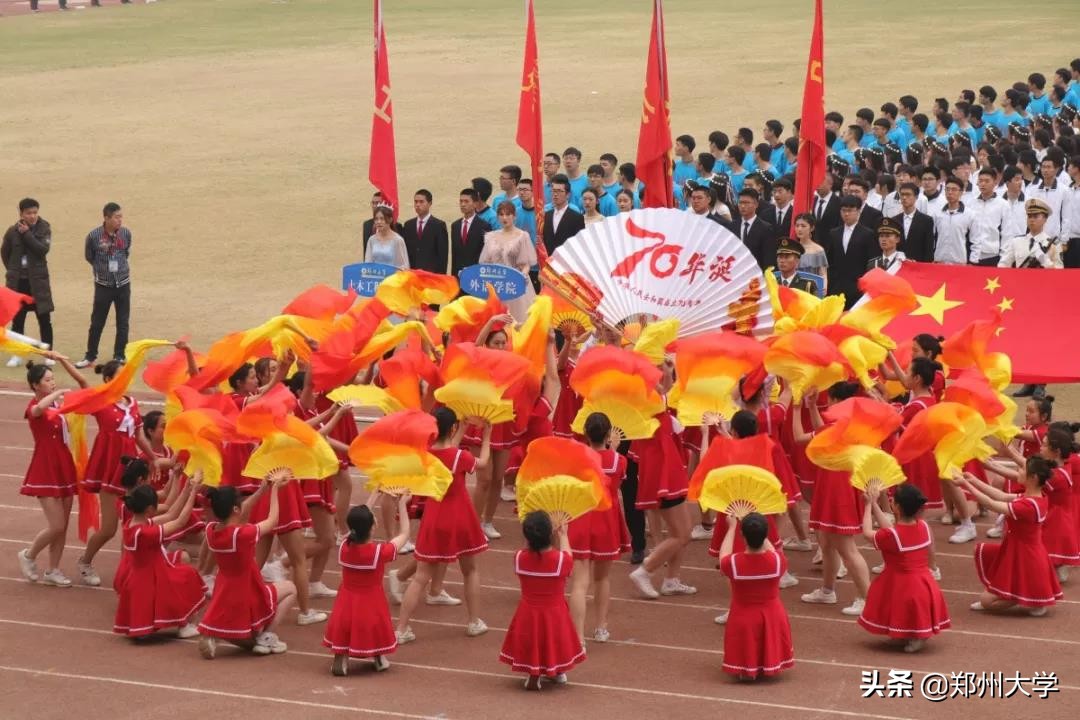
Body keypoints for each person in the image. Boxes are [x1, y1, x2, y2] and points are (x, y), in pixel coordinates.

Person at [394, 408, 491, 644]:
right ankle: (474, 621)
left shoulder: (425, 454)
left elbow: (447, 450)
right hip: (460, 517)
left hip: (435, 516)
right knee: (470, 570)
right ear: (453, 428)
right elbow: (484, 462)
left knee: (420, 577)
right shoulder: (461, 457)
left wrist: (463, 427)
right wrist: (487, 434)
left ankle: (401, 628)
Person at [75, 359, 163, 587]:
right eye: (119, 376)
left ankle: (132, 570)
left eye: (126, 375)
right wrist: (64, 362)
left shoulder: (132, 403)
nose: (124, 380)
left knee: (135, 522)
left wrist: (153, 458)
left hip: (130, 469)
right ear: (107, 380)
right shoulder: (101, 401)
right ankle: (85, 562)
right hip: (109, 470)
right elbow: (83, 382)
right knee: (109, 529)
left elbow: (139, 436)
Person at [197, 477, 299, 658]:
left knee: (239, 634)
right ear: (235, 509)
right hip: (248, 589)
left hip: (224, 589)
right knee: (291, 589)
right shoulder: (243, 534)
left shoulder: (211, 530)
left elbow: (240, 513)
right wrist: (275, 490)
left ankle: (216, 636)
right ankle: (267, 636)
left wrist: (261, 491)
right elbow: (272, 520)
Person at [794, 383, 872, 615]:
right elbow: (823, 431)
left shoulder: (835, 427)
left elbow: (799, 438)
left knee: (846, 548)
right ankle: (828, 591)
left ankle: (866, 597)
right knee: (826, 543)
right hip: (837, 486)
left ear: (837, 401)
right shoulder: (852, 424)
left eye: (829, 401)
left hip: (837, 490)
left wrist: (797, 408)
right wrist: (811, 408)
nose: (827, 404)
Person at [16, 355, 89, 587]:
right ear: (36, 385)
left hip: (64, 465)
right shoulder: (34, 407)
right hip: (45, 467)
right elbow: (38, 410)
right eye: (47, 380)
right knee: (56, 524)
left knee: (63, 525)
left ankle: (53, 570)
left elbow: (85, 389)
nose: (53, 382)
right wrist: (56, 395)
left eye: (53, 379)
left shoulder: (59, 405)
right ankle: (28, 555)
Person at [959, 457, 1063, 616]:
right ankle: (1030, 595)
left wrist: (966, 485)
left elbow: (991, 503)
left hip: (1027, 557)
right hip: (1019, 550)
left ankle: (1030, 597)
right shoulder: (1034, 496)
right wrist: (974, 481)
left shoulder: (1028, 505)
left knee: (987, 602)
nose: (1018, 472)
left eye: (1022, 469)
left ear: (1033, 478)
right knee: (986, 556)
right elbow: (1000, 496)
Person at [324, 494, 410, 676]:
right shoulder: (379, 552)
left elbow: (358, 521)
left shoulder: (345, 546)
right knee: (376, 626)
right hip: (371, 600)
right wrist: (402, 505)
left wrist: (375, 495)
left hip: (346, 599)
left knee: (344, 626)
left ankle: (340, 656)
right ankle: (378, 656)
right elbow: (404, 534)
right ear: (373, 526)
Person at [858, 484, 949, 652]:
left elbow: (867, 533)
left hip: (905, 584)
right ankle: (910, 633)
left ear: (897, 507)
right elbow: (892, 530)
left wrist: (868, 505)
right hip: (924, 582)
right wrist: (875, 504)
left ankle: (918, 634)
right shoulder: (923, 526)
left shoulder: (893, 535)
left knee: (899, 603)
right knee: (904, 604)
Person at [500, 511, 585, 690]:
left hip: (528, 610)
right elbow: (568, 557)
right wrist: (563, 535)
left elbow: (527, 550)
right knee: (555, 641)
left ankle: (534, 674)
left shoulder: (519, 558)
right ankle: (557, 671)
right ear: (549, 533)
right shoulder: (560, 560)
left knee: (532, 640)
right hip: (554, 611)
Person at [112, 481, 206, 640]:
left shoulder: (133, 524)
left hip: (139, 576)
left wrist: (188, 489)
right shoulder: (145, 533)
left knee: (180, 575)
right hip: (153, 576)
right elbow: (179, 522)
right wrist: (193, 494)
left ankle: (146, 625)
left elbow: (170, 515)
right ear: (150, 509)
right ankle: (185, 625)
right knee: (187, 576)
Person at [567, 412, 630, 643]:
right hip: (606, 521)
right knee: (602, 579)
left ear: (585, 433)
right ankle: (601, 628)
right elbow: (617, 483)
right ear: (608, 434)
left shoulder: (576, 458)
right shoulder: (618, 461)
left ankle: (577, 635)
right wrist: (613, 449)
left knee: (579, 582)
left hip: (580, 518)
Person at [716, 512, 794, 680]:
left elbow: (723, 557)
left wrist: (731, 528)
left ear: (742, 535)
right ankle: (768, 664)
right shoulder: (778, 561)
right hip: (772, 614)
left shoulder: (734, 563)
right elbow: (771, 549)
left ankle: (747, 667)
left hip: (743, 615)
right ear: (766, 534)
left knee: (747, 640)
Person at [76, 203, 132, 368]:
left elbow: (126, 252)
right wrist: (102, 270)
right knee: (97, 322)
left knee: (123, 322)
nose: (120, 220)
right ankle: (90, 356)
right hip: (103, 286)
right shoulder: (94, 236)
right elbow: (89, 256)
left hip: (123, 284)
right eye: (116, 217)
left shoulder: (126, 233)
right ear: (106, 218)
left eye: (121, 216)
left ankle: (120, 355)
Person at [2, 198, 54, 367]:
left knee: (44, 318)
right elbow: (4, 252)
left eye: (35, 213)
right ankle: (17, 354)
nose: (32, 216)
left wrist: (27, 234)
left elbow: (42, 250)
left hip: (37, 282)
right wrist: (13, 270)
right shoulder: (11, 232)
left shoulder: (44, 228)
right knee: (18, 319)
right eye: (29, 213)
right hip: (18, 283)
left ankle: (48, 354)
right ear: (21, 214)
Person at [479, 202, 537, 322]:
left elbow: (525, 264)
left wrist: (523, 275)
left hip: (515, 283)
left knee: (519, 319)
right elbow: (485, 263)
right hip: (495, 284)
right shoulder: (491, 236)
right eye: (501, 214)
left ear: (514, 216)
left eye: (508, 214)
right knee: (495, 319)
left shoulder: (522, 236)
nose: (504, 218)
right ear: (497, 217)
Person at [826, 196, 875, 309]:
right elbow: (830, 261)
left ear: (858, 211)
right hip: (837, 288)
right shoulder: (834, 233)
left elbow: (870, 262)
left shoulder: (867, 234)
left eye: (850, 210)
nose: (846, 214)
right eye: (843, 210)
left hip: (858, 287)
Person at [401, 189, 449, 275]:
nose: (418, 205)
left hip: (430, 275)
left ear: (429, 203)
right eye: (416, 202)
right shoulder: (408, 225)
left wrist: (440, 277)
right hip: (412, 274)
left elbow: (442, 255)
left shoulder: (438, 225)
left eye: (421, 202)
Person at [728, 188, 776, 271]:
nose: (742, 206)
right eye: (740, 203)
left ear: (756, 204)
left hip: (756, 274)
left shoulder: (766, 228)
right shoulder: (732, 226)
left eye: (746, 203)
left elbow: (768, 258)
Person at [542, 175, 585, 258]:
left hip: (567, 262)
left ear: (568, 194)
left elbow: (579, 244)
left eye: (559, 191)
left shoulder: (577, 218)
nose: (555, 194)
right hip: (548, 262)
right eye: (553, 191)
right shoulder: (546, 215)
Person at [449, 188, 490, 278]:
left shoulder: (484, 226)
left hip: (476, 275)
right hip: (458, 275)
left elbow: (486, 254)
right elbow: (454, 254)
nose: (463, 204)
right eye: (461, 201)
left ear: (475, 204)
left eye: (466, 201)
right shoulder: (455, 226)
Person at [892, 182, 935, 262]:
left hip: (918, 265)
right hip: (898, 265)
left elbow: (928, 248)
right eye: (902, 194)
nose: (904, 197)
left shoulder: (926, 220)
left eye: (908, 194)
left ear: (916, 197)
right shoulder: (894, 220)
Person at [364, 205, 409, 269]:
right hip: (375, 277)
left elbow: (403, 265)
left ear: (390, 220)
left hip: (392, 277)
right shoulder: (372, 240)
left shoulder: (397, 240)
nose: (379, 222)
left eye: (382, 219)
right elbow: (368, 262)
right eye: (376, 219)